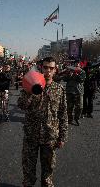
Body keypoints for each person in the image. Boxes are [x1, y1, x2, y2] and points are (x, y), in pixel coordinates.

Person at [17, 56, 68, 187]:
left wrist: (62, 136)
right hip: (31, 135)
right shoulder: (30, 84)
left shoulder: (59, 90)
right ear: (41, 68)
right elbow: (21, 105)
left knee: (48, 173)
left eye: (51, 68)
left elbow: (63, 115)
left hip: (49, 137)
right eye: (45, 67)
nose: (48, 71)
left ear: (55, 70)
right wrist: (32, 91)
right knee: (28, 172)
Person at [63, 61, 86, 126]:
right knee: (69, 107)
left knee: (80, 107)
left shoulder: (82, 72)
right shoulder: (69, 72)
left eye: (78, 65)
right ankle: (70, 119)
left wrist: (76, 74)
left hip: (78, 92)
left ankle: (77, 118)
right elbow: (64, 79)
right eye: (75, 65)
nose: (76, 66)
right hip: (70, 91)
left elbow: (82, 79)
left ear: (80, 66)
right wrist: (69, 75)